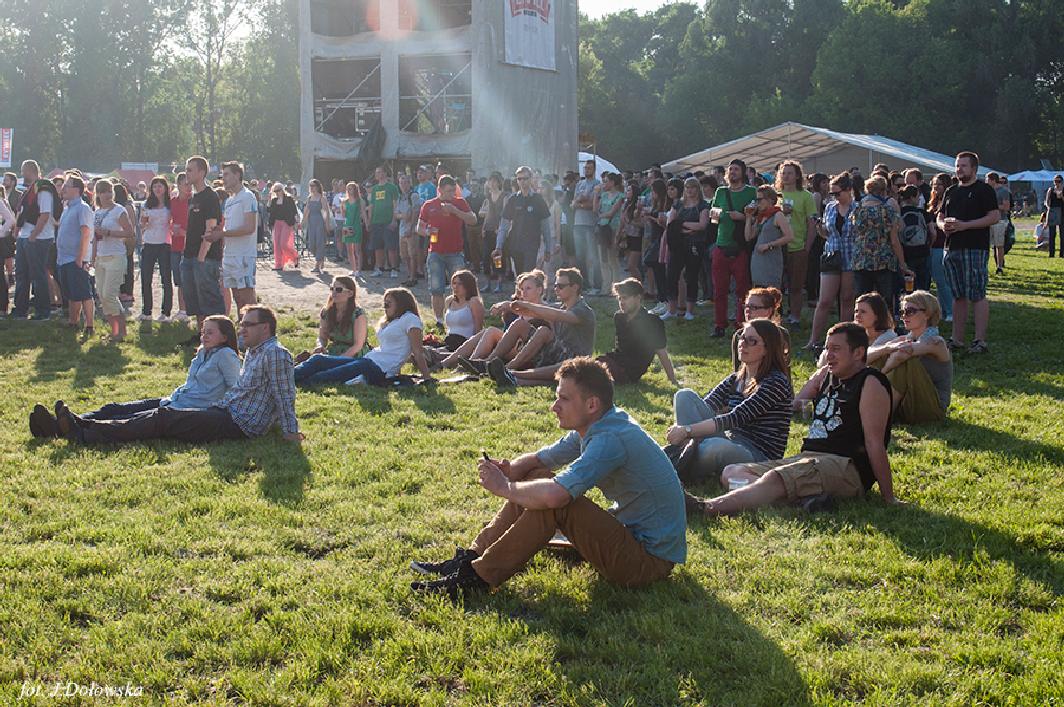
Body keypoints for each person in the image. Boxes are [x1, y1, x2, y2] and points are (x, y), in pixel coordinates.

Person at [409, 358, 686, 597]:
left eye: (563, 398)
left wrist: (505, 488)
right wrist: (512, 469)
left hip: (648, 562)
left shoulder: (609, 439)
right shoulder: (599, 424)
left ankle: (477, 579)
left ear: (591, 404)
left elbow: (555, 496)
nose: (554, 406)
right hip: (630, 538)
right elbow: (539, 460)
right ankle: (471, 557)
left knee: (556, 503)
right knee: (536, 477)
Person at [686, 322, 899, 516]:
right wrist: (819, 376)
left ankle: (706, 507)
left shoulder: (870, 381)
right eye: (826, 348)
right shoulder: (828, 377)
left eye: (836, 349)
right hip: (809, 458)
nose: (829, 355)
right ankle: (802, 502)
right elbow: (796, 401)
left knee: (775, 478)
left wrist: (888, 497)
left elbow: (874, 442)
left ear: (858, 352)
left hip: (844, 466)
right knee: (733, 472)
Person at [52, 306, 303, 445]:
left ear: (265, 327)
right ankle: (72, 426)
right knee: (151, 413)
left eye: (248, 325)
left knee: (163, 417)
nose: (242, 329)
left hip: (241, 424)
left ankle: (85, 432)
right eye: (242, 324)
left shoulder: (275, 353)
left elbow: (284, 394)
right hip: (226, 412)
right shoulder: (255, 352)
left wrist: (290, 431)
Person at [30, 316, 242, 438]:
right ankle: (62, 424)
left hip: (185, 410)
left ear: (225, 336)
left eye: (210, 332)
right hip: (174, 399)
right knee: (114, 408)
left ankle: (73, 428)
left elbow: (235, 389)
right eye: (203, 331)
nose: (204, 336)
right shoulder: (203, 353)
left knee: (130, 419)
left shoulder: (226, 356)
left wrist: (212, 409)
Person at [669, 318, 792, 483]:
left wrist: (687, 430)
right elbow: (707, 405)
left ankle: (680, 464)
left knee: (712, 448)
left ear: (767, 349)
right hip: (730, 440)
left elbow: (735, 418)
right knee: (684, 396)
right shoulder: (736, 379)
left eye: (751, 341)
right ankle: (687, 456)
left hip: (757, 454)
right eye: (742, 337)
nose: (742, 344)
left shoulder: (776, 382)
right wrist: (686, 429)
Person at [294, 287, 433, 386]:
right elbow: (394, 348)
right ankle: (287, 375)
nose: (385, 307)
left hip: (378, 369)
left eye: (388, 304)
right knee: (318, 360)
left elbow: (417, 351)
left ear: (401, 303)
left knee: (325, 376)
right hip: (369, 360)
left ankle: (292, 381)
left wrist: (427, 378)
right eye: (384, 304)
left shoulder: (411, 319)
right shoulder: (394, 321)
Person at [486, 268, 596, 387]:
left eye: (561, 286)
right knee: (521, 325)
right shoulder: (560, 306)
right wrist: (508, 306)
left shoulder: (583, 311)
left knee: (562, 363)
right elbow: (536, 311)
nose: (556, 289)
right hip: (556, 354)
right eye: (555, 286)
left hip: (576, 360)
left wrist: (526, 305)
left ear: (575, 287)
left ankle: (510, 372)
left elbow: (558, 315)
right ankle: (488, 364)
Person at [938, 152, 999, 355]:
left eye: (963, 166)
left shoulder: (984, 190)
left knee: (977, 294)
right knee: (958, 295)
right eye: (957, 166)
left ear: (974, 168)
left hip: (975, 247)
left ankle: (980, 341)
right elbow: (940, 216)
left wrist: (966, 225)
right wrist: (942, 226)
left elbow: (994, 216)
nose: (959, 169)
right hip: (951, 247)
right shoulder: (951, 190)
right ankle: (957, 340)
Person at [443, 269, 547, 372]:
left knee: (492, 331)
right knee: (486, 332)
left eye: (528, 288)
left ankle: (472, 364)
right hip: (515, 347)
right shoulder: (522, 308)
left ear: (539, 290)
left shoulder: (546, 309)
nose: (524, 292)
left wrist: (508, 306)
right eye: (522, 289)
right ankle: (447, 362)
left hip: (529, 352)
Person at [873, 290, 952, 424]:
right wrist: (885, 349)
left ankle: (880, 416)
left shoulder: (936, 342)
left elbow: (903, 353)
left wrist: (881, 375)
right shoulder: (906, 338)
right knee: (881, 355)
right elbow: (868, 355)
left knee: (906, 361)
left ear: (927, 314)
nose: (904, 316)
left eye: (910, 311)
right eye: (902, 312)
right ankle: (870, 408)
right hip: (910, 402)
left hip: (932, 408)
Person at [807, 173, 857, 353]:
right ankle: (813, 340)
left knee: (847, 299)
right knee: (824, 300)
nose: (835, 197)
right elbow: (826, 233)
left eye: (838, 193)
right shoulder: (830, 207)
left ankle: (844, 340)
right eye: (832, 193)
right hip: (832, 255)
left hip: (851, 256)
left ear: (849, 190)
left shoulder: (858, 208)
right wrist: (819, 227)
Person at [418, 175, 476, 328]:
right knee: (436, 288)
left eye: (453, 190)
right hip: (435, 252)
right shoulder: (429, 205)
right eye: (449, 191)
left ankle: (460, 317)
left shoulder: (459, 202)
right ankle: (439, 320)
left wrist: (455, 211)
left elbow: (473, 220)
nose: (452, 194)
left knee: (461, 287)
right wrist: (428, 232)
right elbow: (419, 228)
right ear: (440, 190)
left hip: (455, 252)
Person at [710, 159, 756, 337]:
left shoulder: (751, 192)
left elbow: (757, 217)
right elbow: (714, 216)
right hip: (721, 245)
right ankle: (719, 325)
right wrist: (715, 215)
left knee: (742, 290)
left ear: (743, 172)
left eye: (736, 169)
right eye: (731, 169)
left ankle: (741, 324)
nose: (733, 172)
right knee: (719, 290)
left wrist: (742, 217)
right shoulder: (721, 191)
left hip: (741, 247)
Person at [292, 276, 370, 381]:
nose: (334, 292)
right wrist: (320, 346)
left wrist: (338, 360)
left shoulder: (358, 313)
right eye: (332, 288)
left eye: (338, 290)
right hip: (333, 352)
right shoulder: (327, 311)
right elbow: (322, 337)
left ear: (350, 294)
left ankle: (292, 377)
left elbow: (358, 345)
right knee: (316, 364)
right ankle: (290, 375)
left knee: (318, 366)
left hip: (353, 356)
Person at [180, 156, 224, 340]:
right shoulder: (194, 197)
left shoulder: (210, 197)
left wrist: (201, 257)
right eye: (186, 169)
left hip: (205, 258)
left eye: (190, 169)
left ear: (201, 172)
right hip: (189, 255)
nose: (187, 173)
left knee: (210, 301)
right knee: (195, 302)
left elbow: (210, 228)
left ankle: (218, 338)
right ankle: (202, 336)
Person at [12, 159, 59, 321]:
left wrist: (34, 235)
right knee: (21, 274)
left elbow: (45, 214)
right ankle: (20, 309)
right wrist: (18, 232)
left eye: (23, 170)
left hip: (39, 238)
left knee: (38, 275)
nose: (22, 174)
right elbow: (22, 213)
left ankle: (43, 311)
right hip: (25, 236)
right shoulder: (29, 190)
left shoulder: (43, 189)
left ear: (29, 170)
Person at [851, 176, 911, 301]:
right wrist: (903, 264)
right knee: (884, 300)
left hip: (861, 260)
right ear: (884, 191)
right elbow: (894, 240)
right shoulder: (887, 210)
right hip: (883, 261)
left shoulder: (857, 209)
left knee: (862, 300)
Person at [211, 161, 259, 312]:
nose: (223, 178)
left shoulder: (248, 196)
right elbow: (228, 227)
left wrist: (222, 233)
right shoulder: (229, 200)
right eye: (222, 175)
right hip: (229, 255)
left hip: (243, 255)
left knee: (247, 298)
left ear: (237, 175)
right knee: (237, 297)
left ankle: (254, 325)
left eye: (226, 174)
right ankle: (242, 325)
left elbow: (250, 227)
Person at [661, 177, 710, 321]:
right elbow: (671, 223)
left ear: (697, 189)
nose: (690, 190)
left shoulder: (703, 205)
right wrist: (686, 227)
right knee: (671, 275)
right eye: (687, 187)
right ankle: (672, 309)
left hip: (695, 244)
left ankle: (689, 311)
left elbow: (702, 225)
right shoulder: (678, 204)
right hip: (678, 244)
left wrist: (681, 223)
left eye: (693, 187)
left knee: (691, 276)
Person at [92, 180, 135, 341]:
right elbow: (95, 237)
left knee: (109, 294)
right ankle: (114, 331)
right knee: (102, 296)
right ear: (98, 194)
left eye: (109, 191)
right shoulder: (96, 212)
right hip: (101, 257)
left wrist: (109, 233)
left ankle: (121, 331)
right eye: (103, 191)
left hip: (116, 256)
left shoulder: (119, 210)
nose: (107, 194)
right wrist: (92, 257)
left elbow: (130, 232)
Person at [775, 160, 817, 325]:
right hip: (776, 246)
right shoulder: (776, 195)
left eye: (790, 173)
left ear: (798, 176)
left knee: (796, 286)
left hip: (798, 246)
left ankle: (795, 317)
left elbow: (812, 223)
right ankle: (776, 316)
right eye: (783, 173)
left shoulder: (806, 196)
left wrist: (807, 247)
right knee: (776, 285)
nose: (786, 176)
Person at [495, 166, 552, 281]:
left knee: (528, 275)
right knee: (519, 276)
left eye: (525, 178)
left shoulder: (538, 199)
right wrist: (498, 246)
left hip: (531, 244)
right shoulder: (513, 199)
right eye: (519, 179)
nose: (522, 181)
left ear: (530, 179)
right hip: (515, 243)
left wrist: (548, 248)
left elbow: (546, 226)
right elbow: (504, 225)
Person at [54, 175, 95, 332]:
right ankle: (73, 322)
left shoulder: (83, 208)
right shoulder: (67, 208)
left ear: (77, 190)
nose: (63, 188)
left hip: (75, 259)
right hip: (64, 259)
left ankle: (89, 325)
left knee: (83, 293)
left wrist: (80, 258)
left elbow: (85, 233)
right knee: (71, 294)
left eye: (67, 185)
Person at [136, 176, 174, 322]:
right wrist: (145, 224)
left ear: (165, 188)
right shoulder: (147, 204)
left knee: (166, 279)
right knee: (146, 278)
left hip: (165, 243)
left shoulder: (170, 204)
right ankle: (146, 311)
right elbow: (141, 224)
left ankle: (166, 312)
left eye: (160, 186)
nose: (157, 188)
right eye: (155, 186)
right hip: (149, 243)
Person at [744, 184, 794, 290]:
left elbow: (789, 236)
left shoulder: (778, 215)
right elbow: (748, 237)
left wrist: (769, 245)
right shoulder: (761, 217)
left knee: (771, 294)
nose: (757, 203)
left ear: (770, 200)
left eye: (760, 200)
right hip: (758, 262)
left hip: (771, 261)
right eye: (756, 200)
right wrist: (748, 218)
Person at [733, 287, 790, 370]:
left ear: (768, 311)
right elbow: (737, 370)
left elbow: (784, 368)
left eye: (753, 307)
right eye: (746, 306)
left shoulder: (781, 334)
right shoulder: (739, 335)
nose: (747, 311)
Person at [590, 172, 624, 293]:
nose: (603, 184)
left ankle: (617, 287)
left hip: (613, 228)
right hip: (602, 228)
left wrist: (601, 215)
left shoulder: (620, 196)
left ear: (612, 182)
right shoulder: (603, 195)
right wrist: (596, 194)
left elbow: (612, 213)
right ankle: (606, 287)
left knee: (613, 259)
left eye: (606, 181)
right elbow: (595, 209)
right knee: (603, 259)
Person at [572, 159, 601, 293]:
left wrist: (581, 202)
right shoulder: (579, 184)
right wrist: (581, 201)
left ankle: (597, 285)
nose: (586, 170)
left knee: (593, 256)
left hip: (590, 223)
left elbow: (593, 204)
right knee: (580, 256)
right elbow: (574, 203)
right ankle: (584, 284)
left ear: (594, 169)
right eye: (585, 168)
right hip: (578, 223)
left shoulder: (597, 184)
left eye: (589, 168)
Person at [927, 173, 953, 322]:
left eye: (939, 184)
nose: (935, 187)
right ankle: (943, 310)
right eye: (934, 184)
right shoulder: (933, 201)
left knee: (943, 281)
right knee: (938, 281)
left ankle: (950, 311)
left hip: (942, 244)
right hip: (933, 245)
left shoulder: (949, 201)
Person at [368, 165, 401, 278]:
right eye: (376, 172)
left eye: (380, 172)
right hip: (376, 221)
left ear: (385, 173)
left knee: (391, 247)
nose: (378, 174)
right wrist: (369, 221)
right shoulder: (374, 189)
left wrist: (394, 220)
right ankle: (379, 268)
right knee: (378, 247)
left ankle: (394, 268)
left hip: (388, 221)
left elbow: (395, 204)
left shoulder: (392, 187)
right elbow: (372, 205)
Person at [438, 269, 484, 349]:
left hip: (465, 342)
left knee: (436, 352)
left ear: (468, 286)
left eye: (460, 284)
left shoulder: (474, 301)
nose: (456, 287)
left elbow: (478, 328)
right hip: (449, 340)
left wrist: (473, 347)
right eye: (454, 283)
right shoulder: (449, 301)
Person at [169, 172, 190, 321]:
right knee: (179, 281)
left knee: (191, 280)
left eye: (190, 184)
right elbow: (168, 220)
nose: (188, 187)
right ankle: (182, 311)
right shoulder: (173, 202)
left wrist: (184, 232)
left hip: (190, 245)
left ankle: (192, 309)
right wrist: (171, 227)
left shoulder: (194, 201)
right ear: (178, 185)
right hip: (175, 245)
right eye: (185, 184)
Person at [479, 174, 506, 292]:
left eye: (495, 181)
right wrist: (483, 228)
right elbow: (486, 214)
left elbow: (505, 214)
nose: (492, 184)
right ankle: (488, 283)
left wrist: (501, 228)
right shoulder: (488, 197)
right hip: (488, 229)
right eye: (490, 181)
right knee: (486, 257)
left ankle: (499, 283)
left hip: (499, 230)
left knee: (498, 258)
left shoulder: (504, 196)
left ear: (499, 183)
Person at [395, 174, 421, 285]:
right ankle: (410, 275)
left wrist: (411, 227)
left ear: (409, 183)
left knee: (412, 254)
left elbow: (416, 211)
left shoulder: (414, 196)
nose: (403, 185)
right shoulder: (400, 197)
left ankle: (413, 277)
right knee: (404, 255)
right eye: (401, 183)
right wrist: (403, 216)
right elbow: (396, 214)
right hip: (402, 230)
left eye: (405, 182)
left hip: (411, 229)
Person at [301, 179, 331, 274]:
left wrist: (327, 224)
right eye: (310, 186)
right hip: (311, 222)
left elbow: (325, 212)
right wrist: (302, 222)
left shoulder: (322, 198)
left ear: (318, 187)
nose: (312, 187)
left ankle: (317, 264)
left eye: (313, 185)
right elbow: (306, 211)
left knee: (319, 243)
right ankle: (320, 258)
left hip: (320, 222)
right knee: (312, 244)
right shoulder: (309, 198)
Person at [267, 182, 299, 271]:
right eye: (275, 191)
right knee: (277, 244)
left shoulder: (289, 199)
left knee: (283, 243)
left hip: (287, 223)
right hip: (277, 223)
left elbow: (294, 211)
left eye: (278, 190)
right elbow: (269, 211)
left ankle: (294, 256)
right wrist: (269, 201)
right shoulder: (274, 200)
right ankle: (278, 264)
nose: (277, 192)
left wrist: (296, 222)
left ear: (282, 190)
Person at [986, 172, 1011, 275]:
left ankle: (999, 267)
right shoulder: (987, 191)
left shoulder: (1003, 191)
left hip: (1000, 221)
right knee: (985, 245)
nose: (986, 182)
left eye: (987, 180)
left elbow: (1006, 207)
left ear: (993, 180)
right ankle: (984, 266)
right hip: (987, 220)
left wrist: (993, 206)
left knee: (999, 245)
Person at [1044, 174, 1063, 258]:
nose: (1057, 183)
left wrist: (1061, 196)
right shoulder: (1050, 190)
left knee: (1062, 235)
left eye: (1058, 181)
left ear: (1062, 182)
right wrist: (1049, 208)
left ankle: (1062, 254)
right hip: (1053, 212)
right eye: (1055, 181)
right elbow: (1047, 202)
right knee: (1052, 234)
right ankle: (1051, 253)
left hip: (1062, 212)